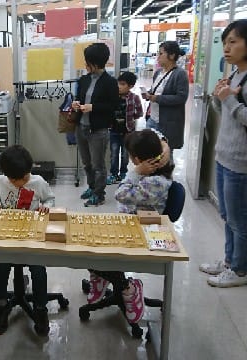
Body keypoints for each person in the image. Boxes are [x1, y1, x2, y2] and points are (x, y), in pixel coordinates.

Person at [200, 19, 247, 288]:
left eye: (233, 41)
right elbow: (229, 115)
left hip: (243, 163)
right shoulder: (235, 75)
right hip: (225, 156)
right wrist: (220, 98)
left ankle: (240, 271)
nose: (227, 48)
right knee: (227, 216)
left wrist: (229, 100)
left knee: (239, 217)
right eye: (225, 42)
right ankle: (230, 260)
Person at [86, 129, 174, 325]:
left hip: (142, 232)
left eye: (131, 157)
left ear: (138, 159)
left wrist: (135, 173)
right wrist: (165, 145)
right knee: (87, 241)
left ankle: (129, 288)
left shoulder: (155, 182)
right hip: (127, 222)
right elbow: (155, 132)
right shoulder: (160, 161)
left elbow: (120, 194)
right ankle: (101, 275)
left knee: (92, 253)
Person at [0, 145, 55, 336]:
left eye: (25, 178)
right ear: (7, 176)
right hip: (7, 234)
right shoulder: (0, 181)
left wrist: (46, 206)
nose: (21, 183)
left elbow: (50, 199)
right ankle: (1, 303)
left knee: (38, 268)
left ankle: (40, 308)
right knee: (1, 264)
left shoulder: (38, 182)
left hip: (32, 236)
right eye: (16, 180)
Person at [72, 43, 119, 207]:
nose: (86, 65)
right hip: (81, 127)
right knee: (87, 163)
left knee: (98, 165)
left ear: (97, 62)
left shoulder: (110, 82)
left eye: (88, 62)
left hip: (97, 130)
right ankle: (92, 188)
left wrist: (93, 107)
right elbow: (78, 97)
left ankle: (99, 194)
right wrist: (76, 104)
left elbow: (114, 106)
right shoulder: (84, 79)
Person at [141, 41, 189, 155]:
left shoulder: (180, 74)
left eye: (161, 53)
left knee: (165, 155)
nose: (158, 57)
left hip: (167, 123)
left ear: (171, 56)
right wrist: (148, 94)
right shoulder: (158, 73)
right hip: (152, 119)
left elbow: (181, 98)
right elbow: (155, 90)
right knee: (149, 153)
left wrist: (156, 98)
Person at [107, 71, 144, 185]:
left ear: (131, 86)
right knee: (113, 153)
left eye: (123, 84)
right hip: (113, 130)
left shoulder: (134, 98)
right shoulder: (112, 96)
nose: (119, 87)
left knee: (125, 154)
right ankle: (113, 174)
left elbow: (140, 113)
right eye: (119, 84)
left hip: (128, 132)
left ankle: (123, 173)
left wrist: (131, 119)